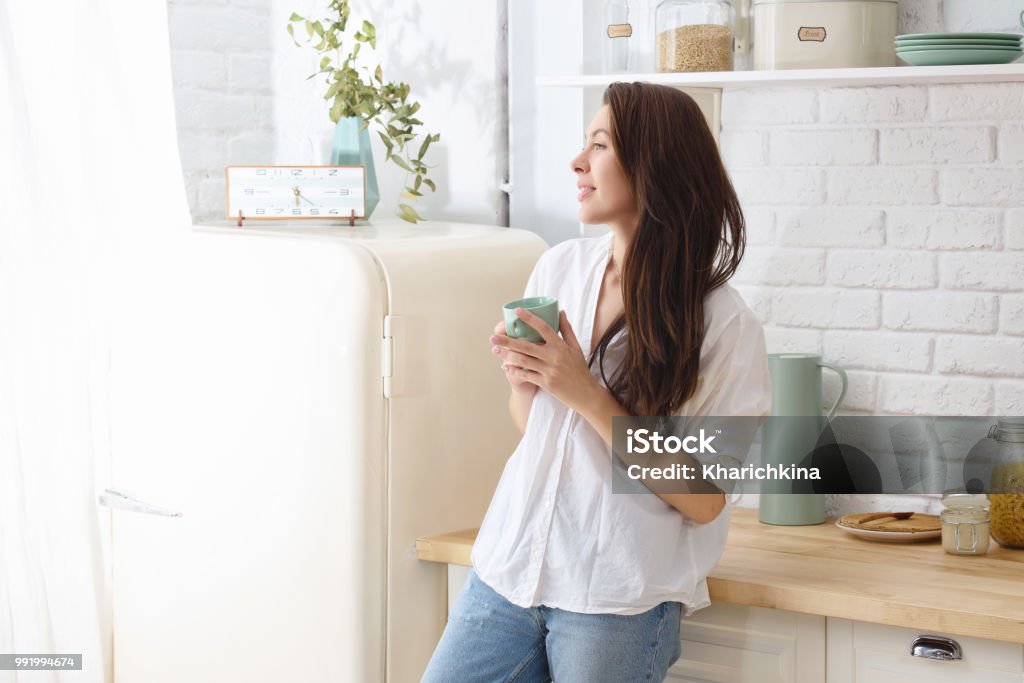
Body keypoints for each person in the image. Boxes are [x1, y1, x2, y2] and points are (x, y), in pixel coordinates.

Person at [421, 82, 771, 683]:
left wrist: (583, 389)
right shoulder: (559, 266)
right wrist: (529, 385)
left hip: (614, 599)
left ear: (653, 167)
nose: (577, 162)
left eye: (599, 145)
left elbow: (705, 497)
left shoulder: (724, 323)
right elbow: (547, 437)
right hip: (509, 570)